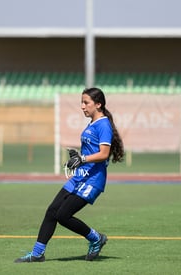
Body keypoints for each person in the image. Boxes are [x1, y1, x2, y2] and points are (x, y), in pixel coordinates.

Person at [14, 87, 124, 263]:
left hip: (93, 180)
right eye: (81, 102)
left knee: (63, 215)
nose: (82, 106)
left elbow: (103, 153)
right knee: (52, 211)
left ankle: (96, 238)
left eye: (86, 102)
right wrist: (77, 157)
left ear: (98, 104)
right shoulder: (92, 123)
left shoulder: (103, 125)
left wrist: (82, 158)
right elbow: (90, 151)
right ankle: (37, 254)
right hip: (80, 177)